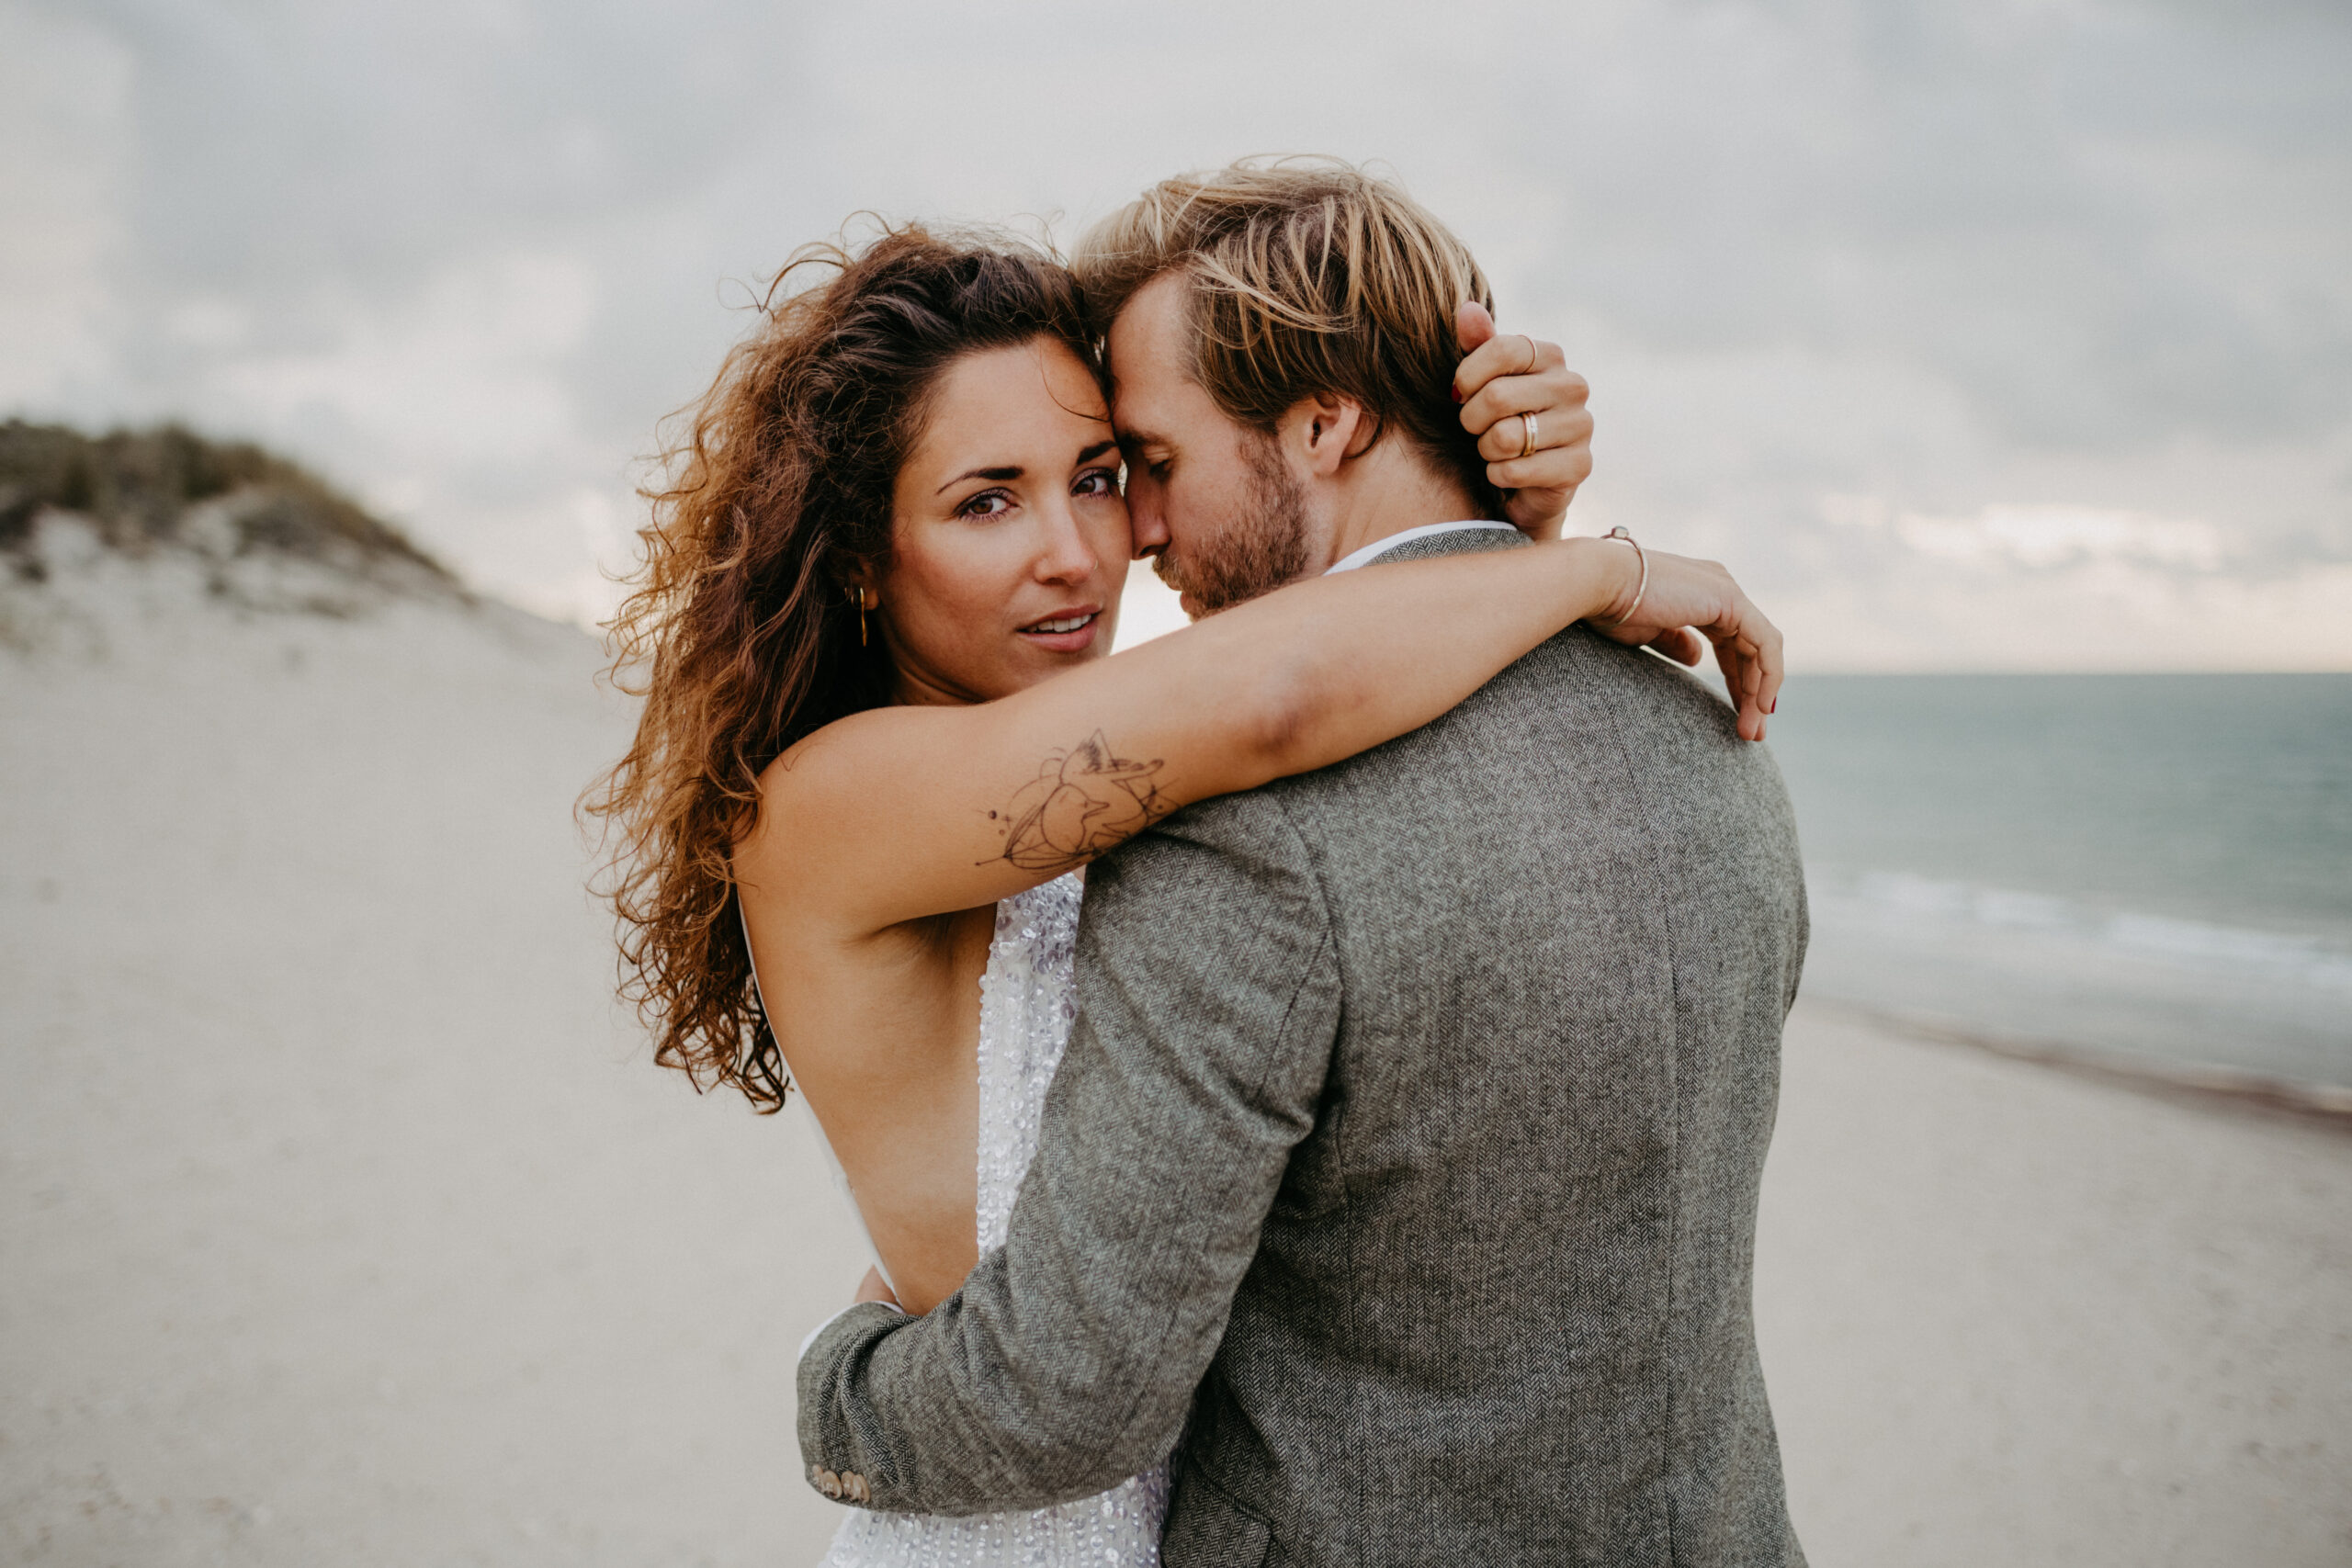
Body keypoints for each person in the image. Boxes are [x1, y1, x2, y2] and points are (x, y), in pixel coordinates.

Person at [591, 201, 1780, 1565]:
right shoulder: (828, 801)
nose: (1083, 551)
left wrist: (1500, 526)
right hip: (1026, 1518)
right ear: (862, 554)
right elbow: (1277, 695)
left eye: (1103, 474)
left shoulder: (1131, 764)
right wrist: (1588, 570)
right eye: (988, 501)